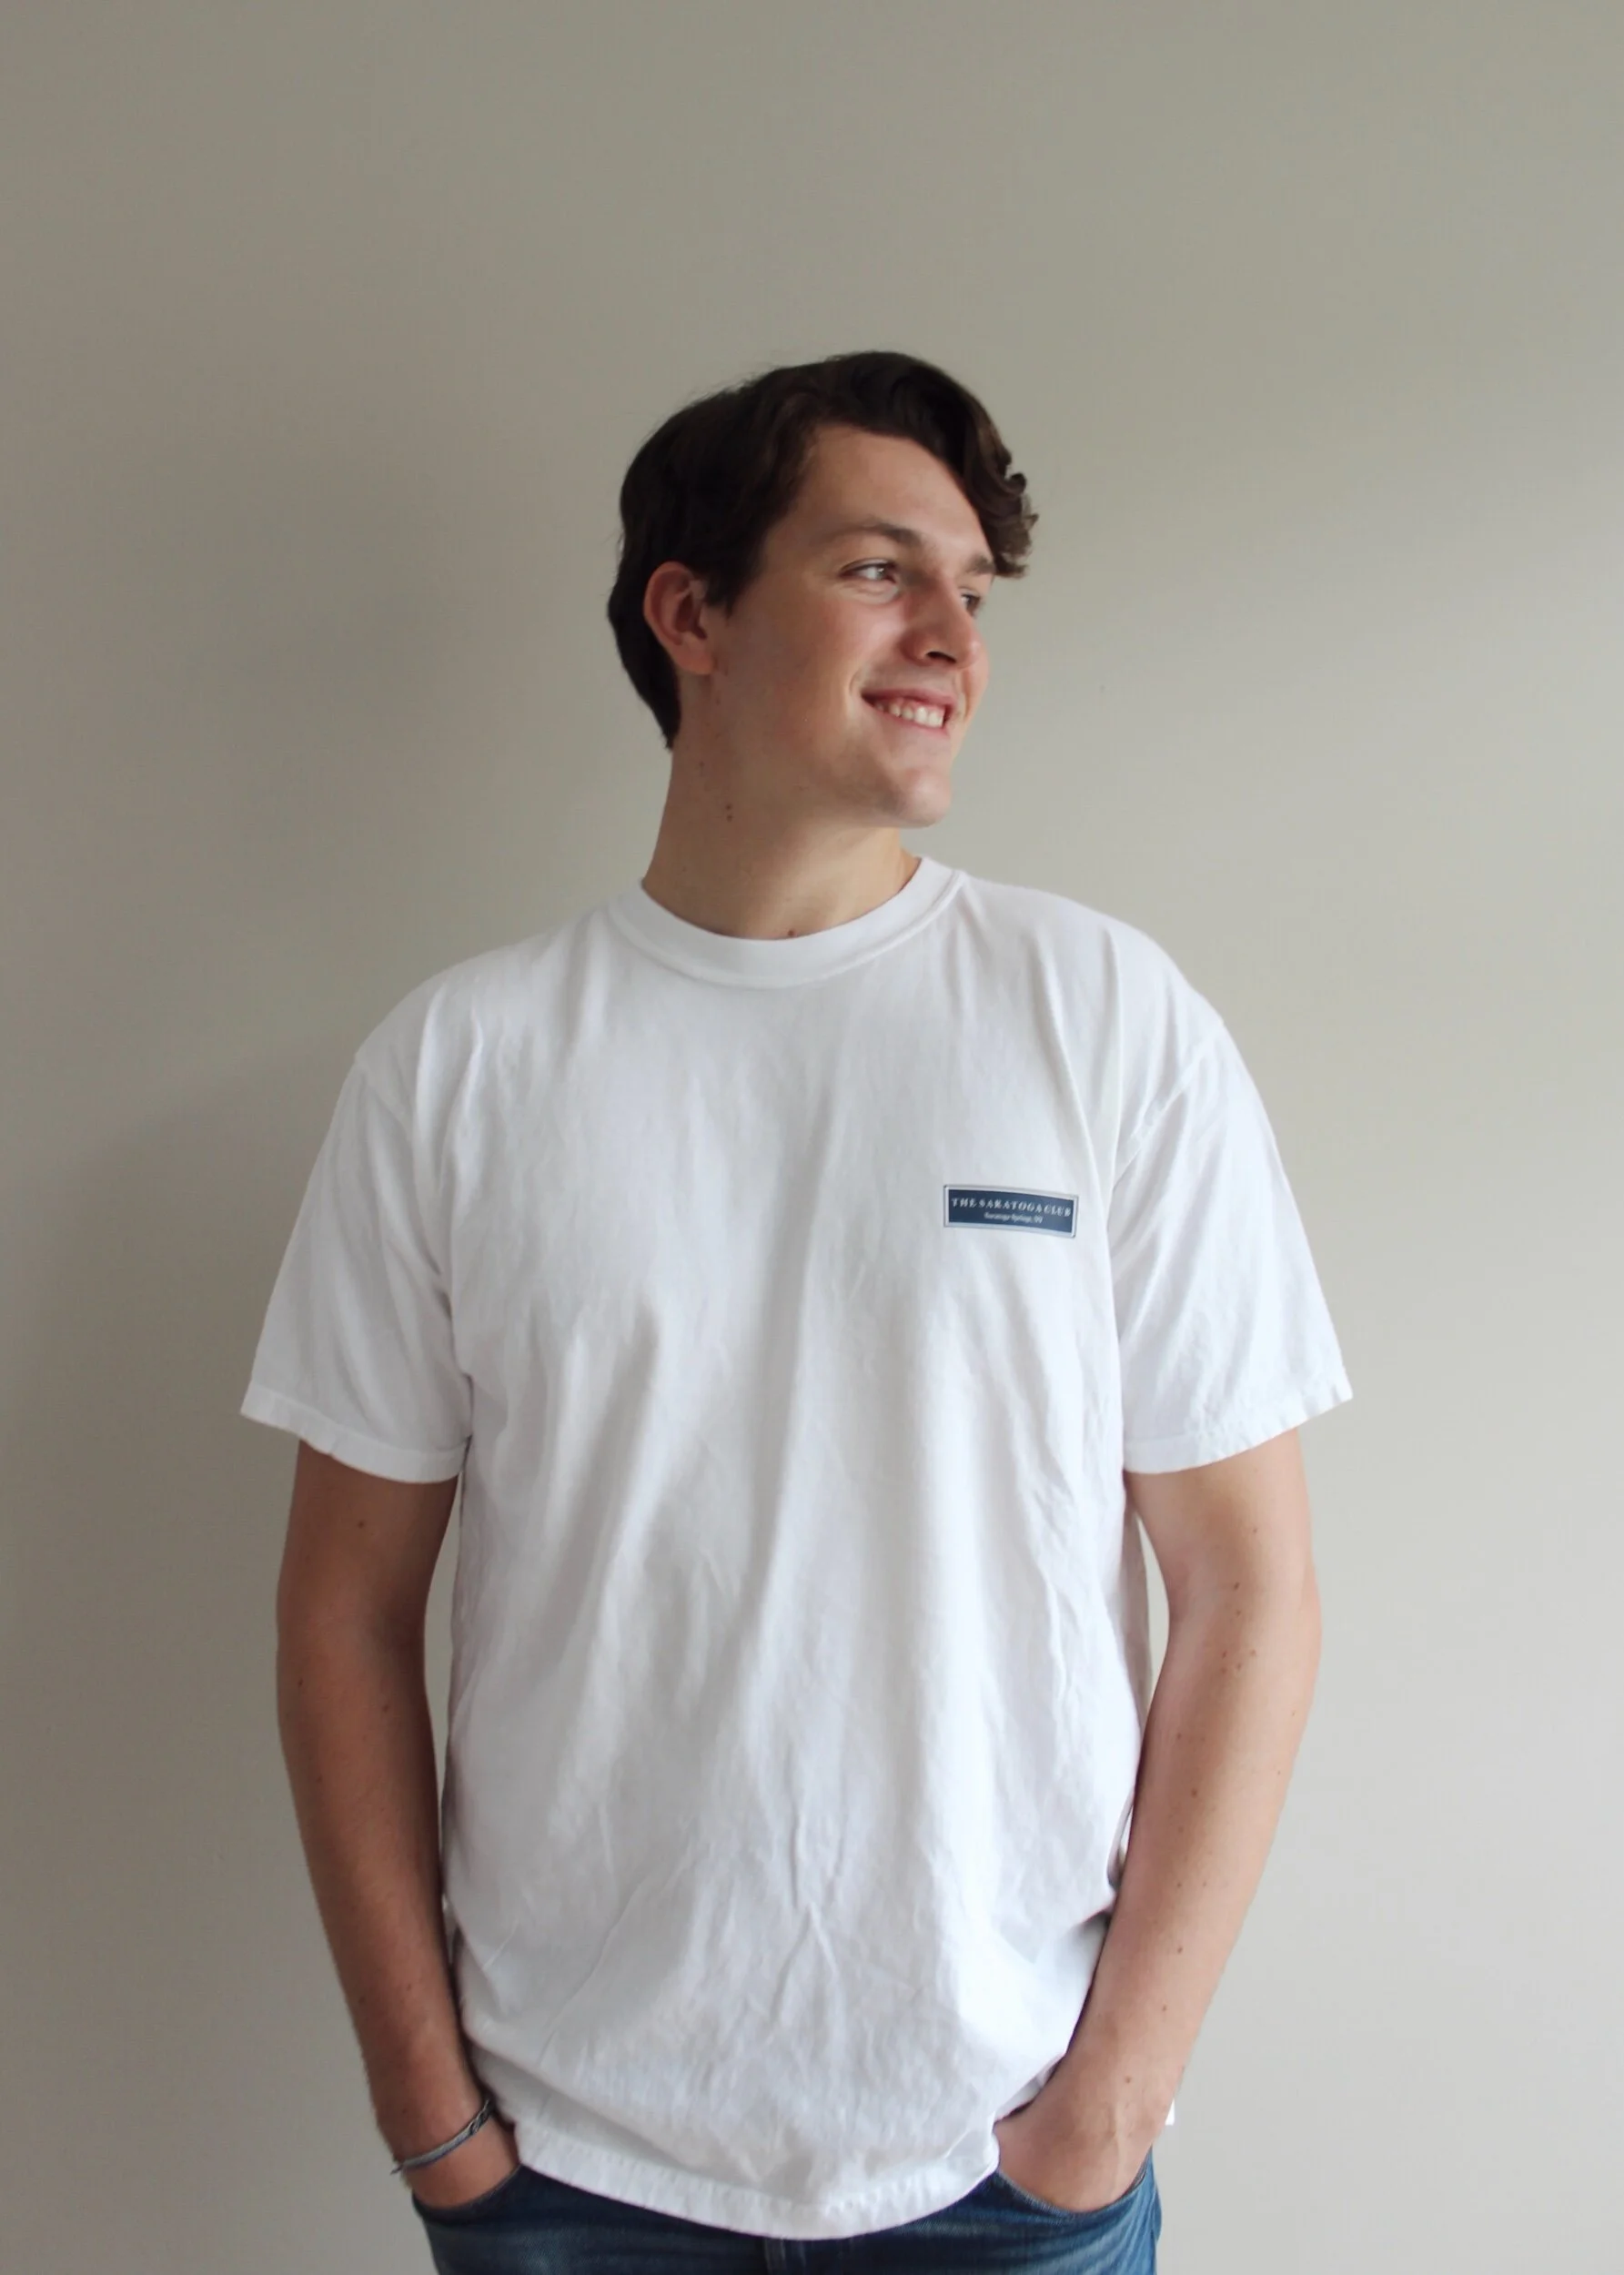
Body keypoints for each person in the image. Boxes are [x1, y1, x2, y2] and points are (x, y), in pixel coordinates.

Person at [244, 349, 1351, 2271]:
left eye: (973, 591)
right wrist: (433, 2113)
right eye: (877, 569)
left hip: (997, 2162)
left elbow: (1249, 1589)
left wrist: (1108, 2101)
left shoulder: (1100, 1021)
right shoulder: (464, 1066)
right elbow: (345, 1609)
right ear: (691, 614)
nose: (953, 640)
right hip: (567, 2165)